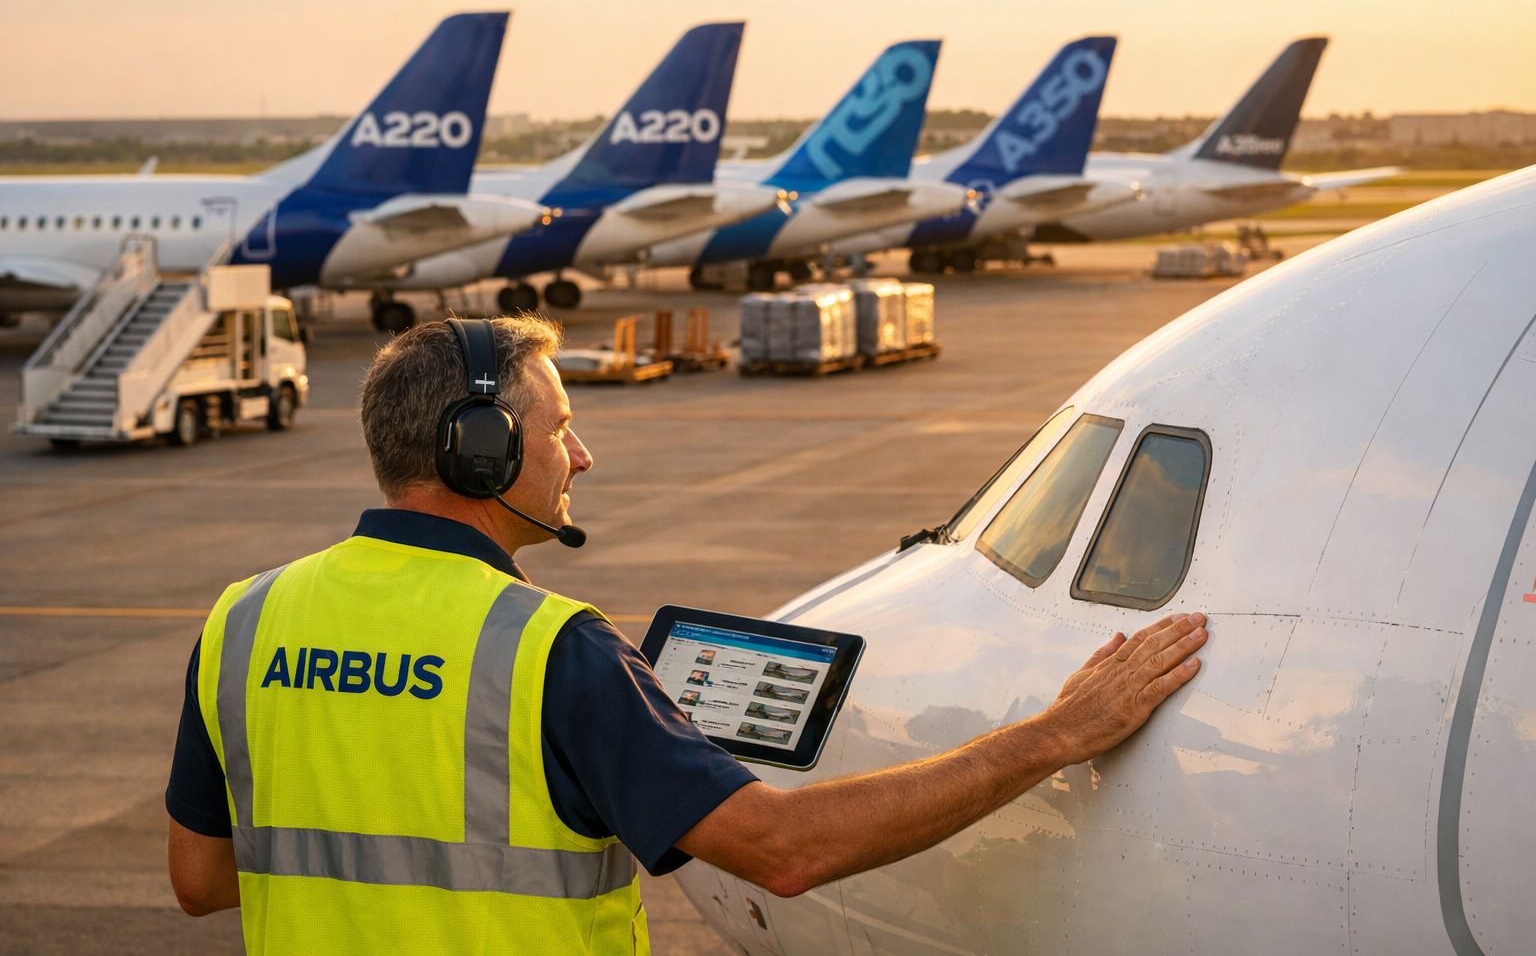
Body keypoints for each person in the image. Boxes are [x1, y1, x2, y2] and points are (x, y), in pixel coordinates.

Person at [166, 315, 1207, 954]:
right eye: (559, 425)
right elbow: (786, 852)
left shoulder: (244, 620)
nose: (583, 452)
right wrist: (1058, 732)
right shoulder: (548, 651)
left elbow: (202, 880)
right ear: (477, 452)